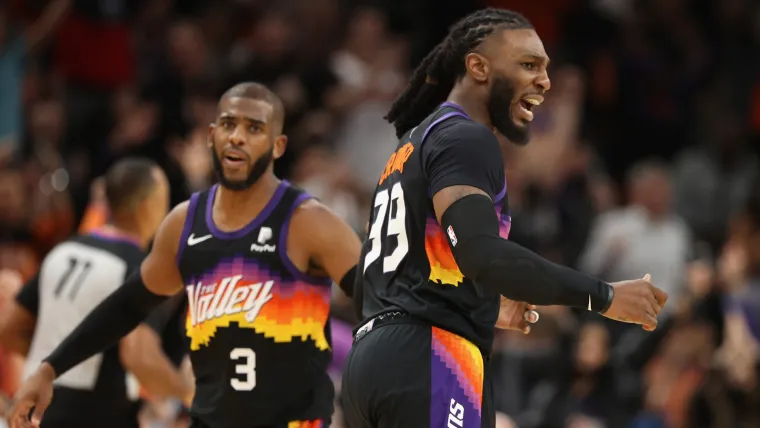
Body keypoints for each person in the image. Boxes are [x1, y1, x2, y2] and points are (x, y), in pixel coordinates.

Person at [342, 8, 669, 428]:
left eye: (546, 69)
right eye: (528, 65)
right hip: (431, 357)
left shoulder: (410, 147)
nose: (544, 82)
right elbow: (483, 255)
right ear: (478, 67)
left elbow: (380, 284)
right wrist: (604, 296)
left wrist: (477, 303)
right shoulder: (466, 136)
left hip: (370, 362)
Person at [7, 82, 365, 428]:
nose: (237, 136)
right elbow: (125, 307)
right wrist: (49, 368)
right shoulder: (184, 223)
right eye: (228, 124)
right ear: (211, 135)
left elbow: (385, 300)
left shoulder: (308, 222)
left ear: (278, 146)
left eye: (254, 128)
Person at [0, 158, 191, 427]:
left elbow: (9, 329)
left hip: (35, 407)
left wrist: (55, 361)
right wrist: (186, 392)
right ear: (148, 205)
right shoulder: (139, 267)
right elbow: (139, 356)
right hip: (98, 413)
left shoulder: (63, 249)